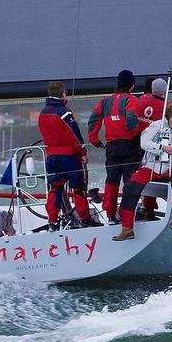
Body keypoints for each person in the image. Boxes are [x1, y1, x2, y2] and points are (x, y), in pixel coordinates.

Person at [113, 105, 172, 241]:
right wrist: (162, 148)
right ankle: (127, 228)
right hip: (150, 167)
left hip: (170, 168)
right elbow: (144, 142)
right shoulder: (156, 126)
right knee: (130, 187)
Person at [38, 81, 101, 230]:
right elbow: (74, 135)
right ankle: (85, 219)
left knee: (55, 188)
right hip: (69, 157)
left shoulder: (42, 113)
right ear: (62, 93)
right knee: (78, 188)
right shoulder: (64, 112)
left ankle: (52, 222)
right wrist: (83, 152)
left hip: (51, 157)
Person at [88, 69, 140, 223]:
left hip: (111, 146)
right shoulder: (131, 100)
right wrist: (134, 134)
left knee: (112, 181)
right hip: (129, 145)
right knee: (129, 182)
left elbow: (93, 120)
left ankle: (111, 215)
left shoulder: (105, 101)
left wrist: (94, 140)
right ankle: (126, 214)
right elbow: (131, 119)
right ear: (131, 86)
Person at [134, 77, 168, 221]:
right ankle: (149, 210)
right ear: (165, 91)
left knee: (134, 177)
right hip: (152, 147)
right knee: (151, 176)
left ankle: (131, 207)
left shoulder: (140, 100)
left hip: (135, 143)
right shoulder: (165, 107)